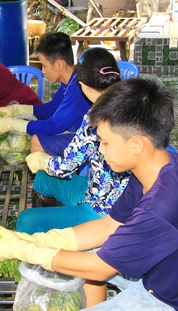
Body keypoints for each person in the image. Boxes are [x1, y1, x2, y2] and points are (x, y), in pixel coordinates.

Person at [0, 78, 178, 311]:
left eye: (105, 142)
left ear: (137, 144)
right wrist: (35, 239)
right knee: (83, 254)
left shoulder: (163, 203)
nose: (99, 149)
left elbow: (99, 268)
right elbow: (108, 225)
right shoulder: (162, 167)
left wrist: (23, 249)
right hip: (169, 278)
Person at [20, 47, 128, 235]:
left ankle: (56, 242)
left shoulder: (95, 118)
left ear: (84, 86)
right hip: (97, 189)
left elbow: (65, 167)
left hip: (102, 211)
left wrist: (42, 160)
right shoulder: (130, 101)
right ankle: (56, 221)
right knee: (42, 179)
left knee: (26, 220)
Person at [0, 31, 92, 156]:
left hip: (90, 139)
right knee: (39, 132)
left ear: (59, 64)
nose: (42, 71)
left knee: (37, 141)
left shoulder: (78, 88)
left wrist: (12, 124)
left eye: (44, 65)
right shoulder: (69, 81)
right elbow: (50, 109)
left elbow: (55, 126)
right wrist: (16, 109)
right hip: (75, 129)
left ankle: (54, 171)